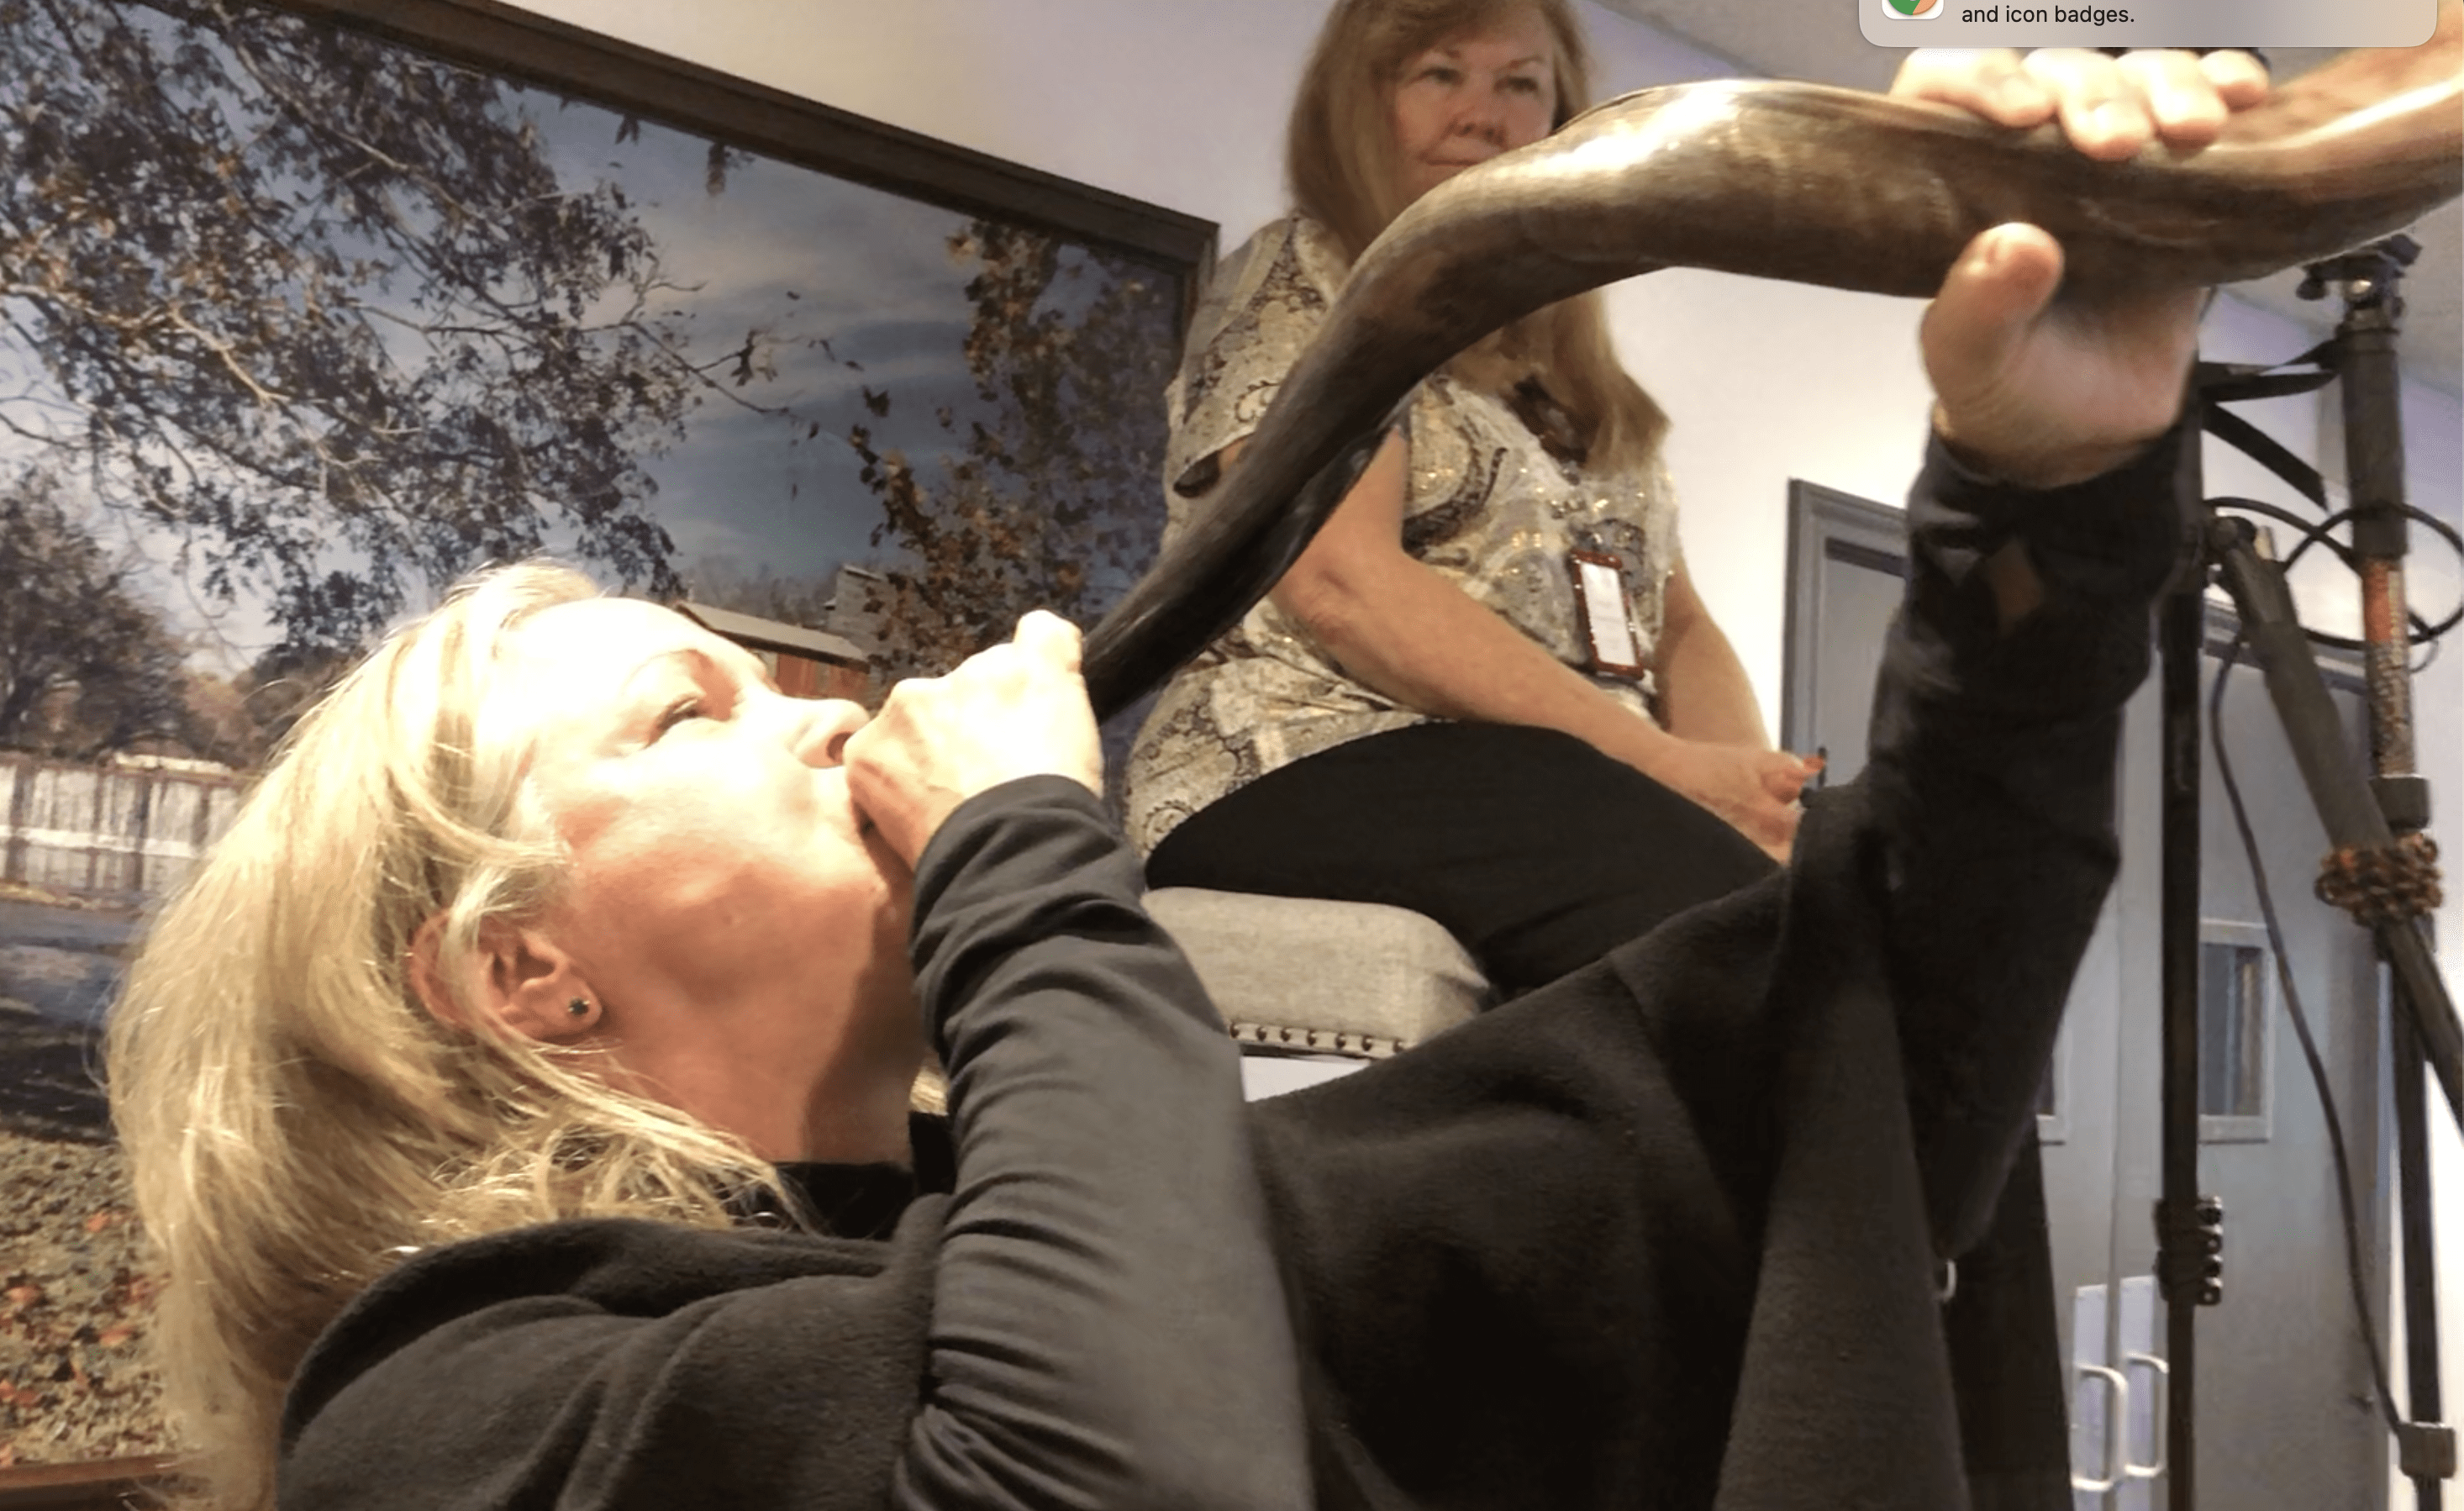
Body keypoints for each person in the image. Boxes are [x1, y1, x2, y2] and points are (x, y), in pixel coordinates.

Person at [106, 42, 2263, 1511]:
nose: (829, 707)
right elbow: (1117, 1464)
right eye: (691, 713)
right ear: (519, 970)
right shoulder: (449, 1415)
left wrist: (2043, 501)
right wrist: (1030, 856)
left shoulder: (1089, 1238)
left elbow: (1858, 1055)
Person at [1122, 0, 2255, 998]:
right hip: (1296, 759)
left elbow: (1681, 625)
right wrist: (1662, 767)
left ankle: (1930, 1250)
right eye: (1440, 74)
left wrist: (1753, 802)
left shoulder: (1572, 374)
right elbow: (1341, 583)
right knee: (1745, 952)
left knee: (1869, 934)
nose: (1485, 114)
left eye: (1522, 84)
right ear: (1357, 105)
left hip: (1549, 772)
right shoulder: (1301, 274)